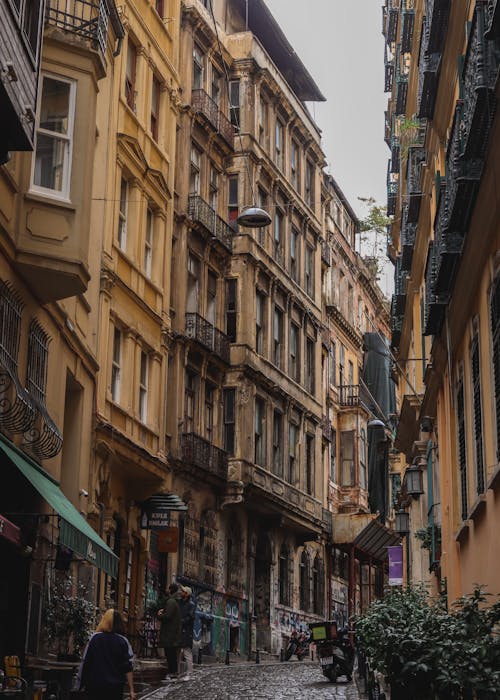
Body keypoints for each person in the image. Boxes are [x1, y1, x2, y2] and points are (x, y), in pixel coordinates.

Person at [78, 609, 134, 700]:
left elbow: (86, 661)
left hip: (94, 685)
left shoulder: (94, 638)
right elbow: (128, 666)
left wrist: (80, 683)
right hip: (115, 688)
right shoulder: (123, 641)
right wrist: (131, 689)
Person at [157, 583, 182, 679]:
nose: (167, 590)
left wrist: (159, 615)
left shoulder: (171, 601)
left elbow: (168, 616)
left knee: (170, 654)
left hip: (169, 633)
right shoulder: (174, 601)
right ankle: (173, 672)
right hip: (172, 632)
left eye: (168, 588)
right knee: (171, 654)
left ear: (171, 590)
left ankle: (172, 672)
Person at [178, 586, 196, 681]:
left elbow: (190, 617)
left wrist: (181, 622)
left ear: (187, 594)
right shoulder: (180, 602)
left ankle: (189, 673)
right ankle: (178, 672)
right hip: (179, 630)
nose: (181, 592)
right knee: (178, 652)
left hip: (186, 630)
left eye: (183, 591)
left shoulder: (191, 604)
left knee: (187, 652)